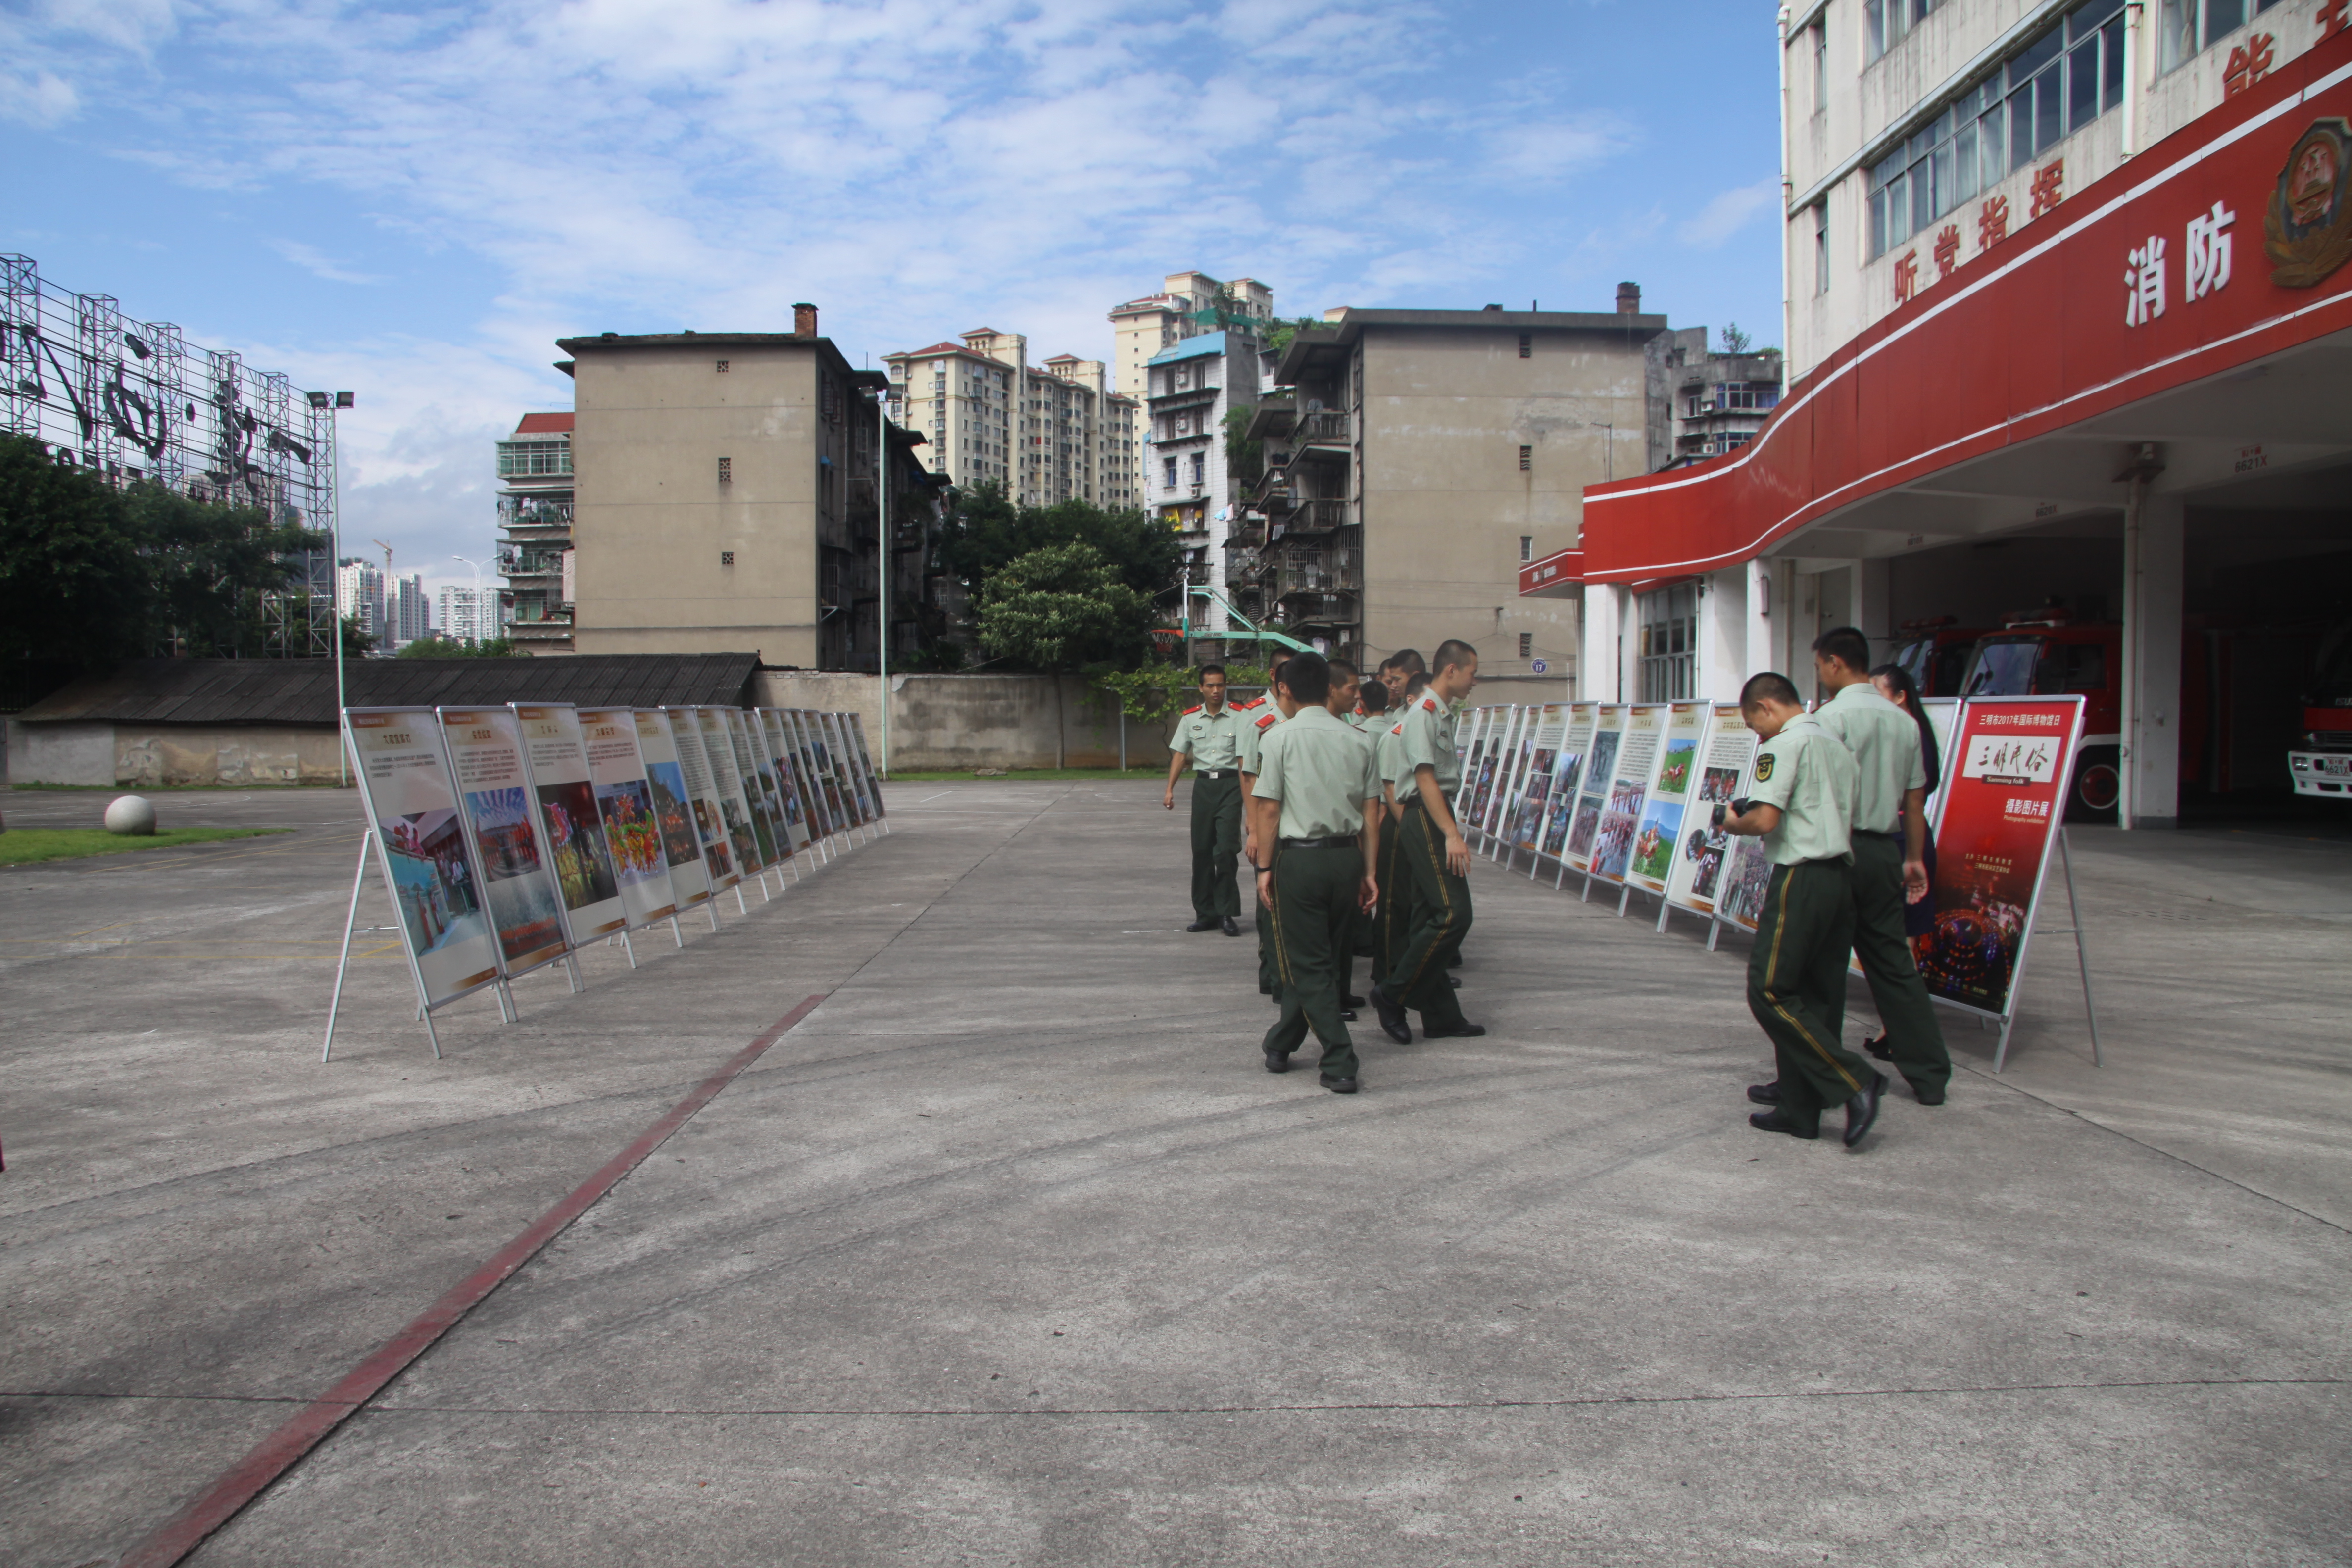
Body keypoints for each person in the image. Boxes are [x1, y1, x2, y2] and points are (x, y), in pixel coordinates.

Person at [1718, 672, 1887, 1148]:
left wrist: (1734, 822)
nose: (1758, 736)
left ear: (1768, 708)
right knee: (1816, 997)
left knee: (1769, 989)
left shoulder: (1785, 744)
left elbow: (1765, 819)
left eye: (1756, 725)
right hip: (1840, 876)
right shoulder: (1836, 744)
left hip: (1802, 876)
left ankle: (1856, 1081)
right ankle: (1801, 1108)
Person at [1805, 629, 1952, 1105]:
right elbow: (1914, 800)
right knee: (1892, 963)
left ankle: (1821, 1077)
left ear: (1834, 663)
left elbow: (1819, 793)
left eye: (1820, 666)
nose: (1821, 675)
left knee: (1822, 966)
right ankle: (1930, 1076)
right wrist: (1912, 858)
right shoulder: (1904, 722)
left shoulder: (1830, 718)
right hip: (1887, 849)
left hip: (1839, 849)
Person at [1249, 650, 1384, 1094]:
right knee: (1323, 957)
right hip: (1347, 857)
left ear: (1286, 687)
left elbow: (1268, 810)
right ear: (1329, 686)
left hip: (1300, 859)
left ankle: (1341, 1058)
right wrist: (1369, 871)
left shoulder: (1279, 738)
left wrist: (1264, 868)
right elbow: (1370, 810)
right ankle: (1282, 1041)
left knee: (1306, 963)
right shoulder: (1359, 739)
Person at [1367, 639, 1485, 1044]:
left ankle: (1440, 1016)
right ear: (1451, 670)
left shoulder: (1439, 713)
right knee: (1453, 914)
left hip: (1431, 813)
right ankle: (1393, 992)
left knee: (1427, 916)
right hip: (1425, 815)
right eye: (1472, 672)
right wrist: (1451, 834)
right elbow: (1423, 777)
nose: (1475, 680)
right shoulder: (1425, 713)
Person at [1164, 663, 1247, 936]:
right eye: (1210, 685)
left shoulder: (1239, 717)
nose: (1215, 690)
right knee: (1201, 852)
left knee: (1225, 850)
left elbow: (1244, 758)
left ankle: (1226, 912)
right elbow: (1180, 754)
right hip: (1203, 787)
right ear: (1201, 688)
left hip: (1231, 786)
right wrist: (1170, 789)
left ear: (1226, 686)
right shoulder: (1190, 719)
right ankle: (1205, 914)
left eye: (1220, 685)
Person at [1868, 660, 1942, 946]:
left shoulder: (1910, 734)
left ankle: (1903, 991)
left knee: (1901, 938)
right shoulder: (1896, 732)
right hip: (1896, 836)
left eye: (1877, 694)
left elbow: (1911, 799)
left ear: (1900, 697)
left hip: (1904, 840)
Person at [1240, 648, 1294, 999]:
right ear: (1277, 678)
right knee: (1269, 898)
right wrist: (1255, 829)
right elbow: (1248, 777)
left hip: (1295, 821)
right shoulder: (1259, 719)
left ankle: (1276, 970)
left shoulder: (1304, 715)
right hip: (1268, 818)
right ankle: (1273, 974)